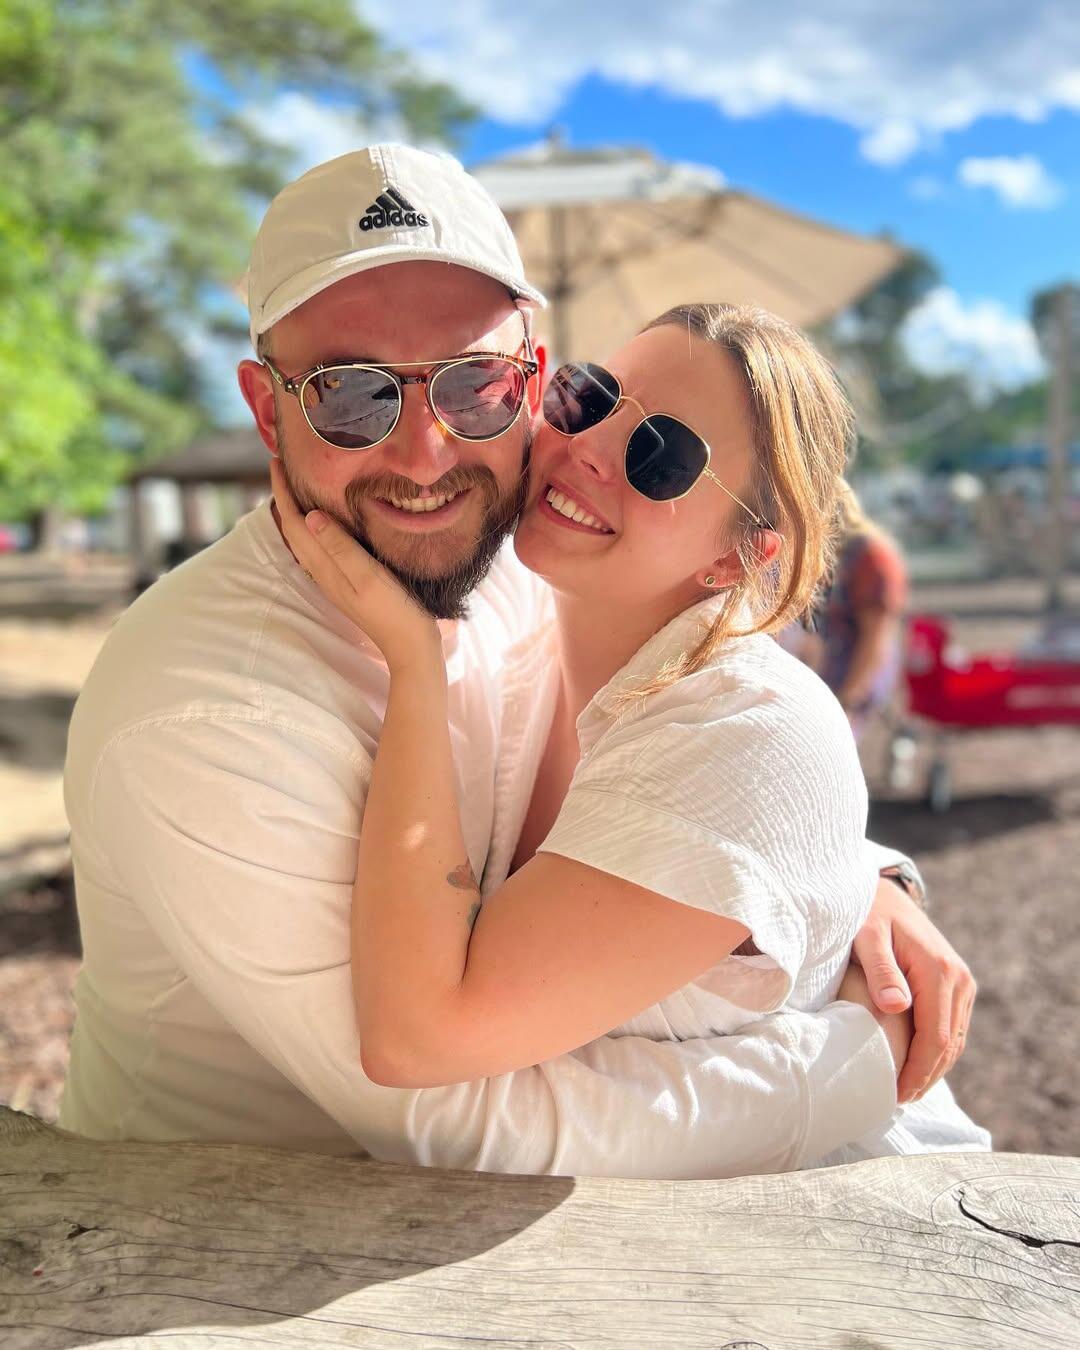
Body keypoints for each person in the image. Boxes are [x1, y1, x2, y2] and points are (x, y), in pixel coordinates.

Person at [61, 145, 976, 1176]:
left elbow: (719, 758)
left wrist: (847, 884)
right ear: (269, 408)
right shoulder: (204, 715)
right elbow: (459, 1121)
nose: (426, 454)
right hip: (213, 1250)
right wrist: (858, 1059)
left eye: (475, 388)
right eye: (351, 396)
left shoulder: (519, 555)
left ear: (531, 381)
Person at [272, 302, 989, 1165]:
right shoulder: (529, 636)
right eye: (588, 396)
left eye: (662, 457)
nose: (591, 449)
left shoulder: (748, 732)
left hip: (847, 1252)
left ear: (738, 557)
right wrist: (862, 876)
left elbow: (418, 1041)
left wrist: (415, 669)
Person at [815, 484, 909, 736]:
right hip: (829, 673)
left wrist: (849, 697)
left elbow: (876, 637)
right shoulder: (834, 552)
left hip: (854, 672)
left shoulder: (870, 557)